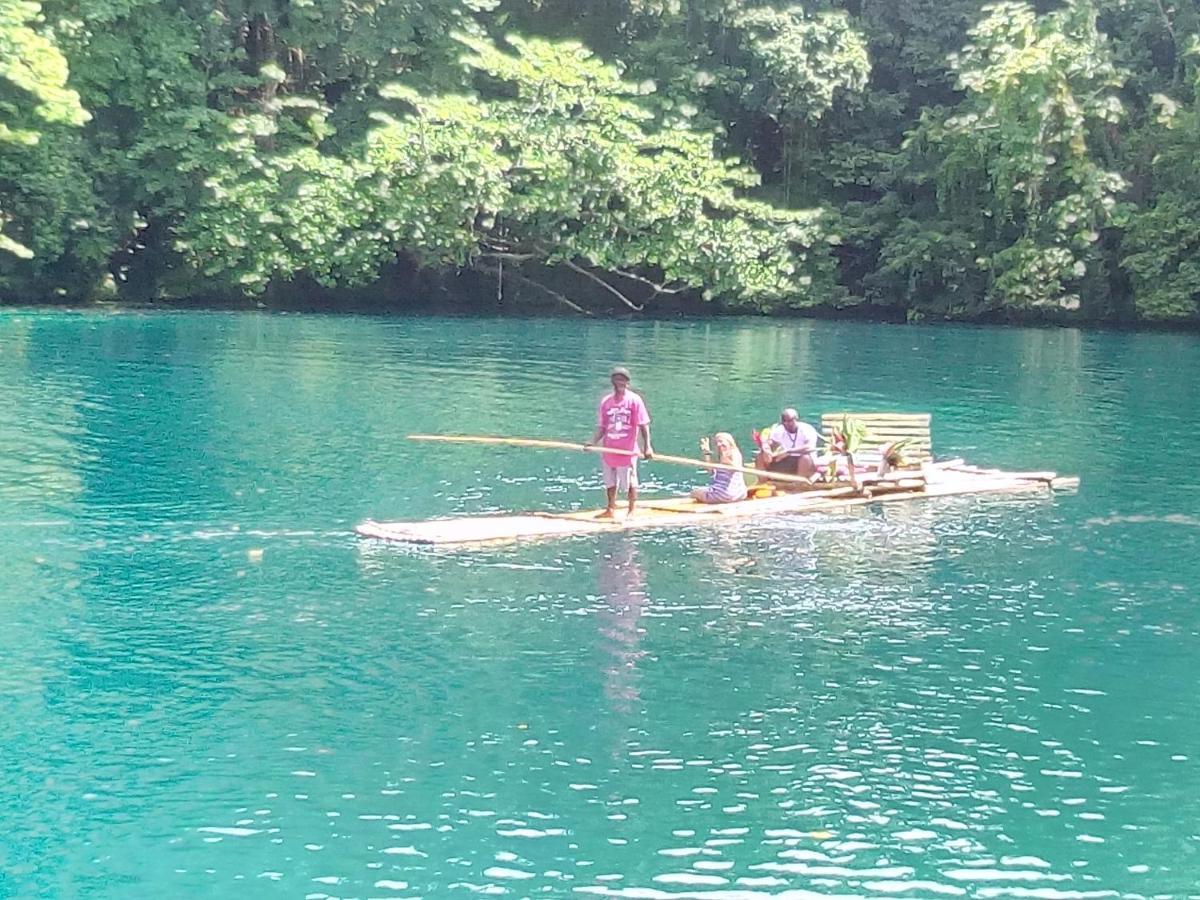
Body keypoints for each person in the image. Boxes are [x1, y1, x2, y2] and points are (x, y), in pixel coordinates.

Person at [587, 367, 653, 518]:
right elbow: (602, 427)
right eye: (617, 379)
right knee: (609, 481)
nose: (620, 382)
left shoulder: (634, 400)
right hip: (609, 449)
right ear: (613, 382)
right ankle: (610, 509)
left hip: (627, 450)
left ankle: (631, 510)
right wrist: (592, 442)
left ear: (627, 382)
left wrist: (647, 446)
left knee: (630, 481)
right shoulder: (607, 402)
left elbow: (644, 425)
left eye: (622, 379)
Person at [755, 408, 821, 481]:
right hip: (787, 461)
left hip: (806, 464)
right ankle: (763, 483)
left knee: (805, 458)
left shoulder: (807, 429)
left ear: (796, 419)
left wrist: (788, 452)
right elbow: (771, 442)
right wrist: (766, 448)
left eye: (789, 421)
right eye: (784, 421)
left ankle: (798, 485)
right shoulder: (779, 430)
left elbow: (809, 447)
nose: (786, 423)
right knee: (760, 456)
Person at [691, 432, 748, 504]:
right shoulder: (721, 456)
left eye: (721, 441)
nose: (718, 444)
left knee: (694, 492)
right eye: (717, 442)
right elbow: (711, 470)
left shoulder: (734, 453)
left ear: (729, 441)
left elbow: (736, 468)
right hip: (737, 494)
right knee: (699, 491)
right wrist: (706, 452)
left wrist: (726, 459)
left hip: (727, 494)